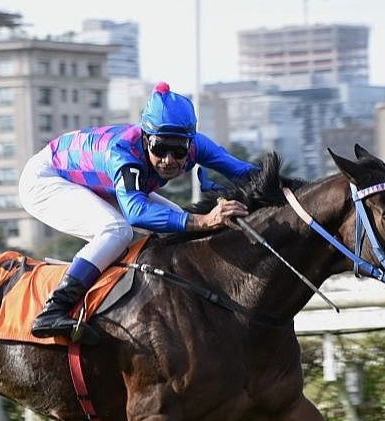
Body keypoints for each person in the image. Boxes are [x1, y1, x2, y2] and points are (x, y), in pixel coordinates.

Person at [18, 81, 258, 345]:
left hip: (94, 180)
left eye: (178, 150)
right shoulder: (124, 153)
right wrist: (204, 219)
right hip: (46, 178)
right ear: (145, 139)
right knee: (117, 230)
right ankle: (54, 309)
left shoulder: (198, 145)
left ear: (190, 144)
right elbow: (136, 213)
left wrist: (293, 189)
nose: (169, 159)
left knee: (176, 222)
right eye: (159, 148)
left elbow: (244, 172)